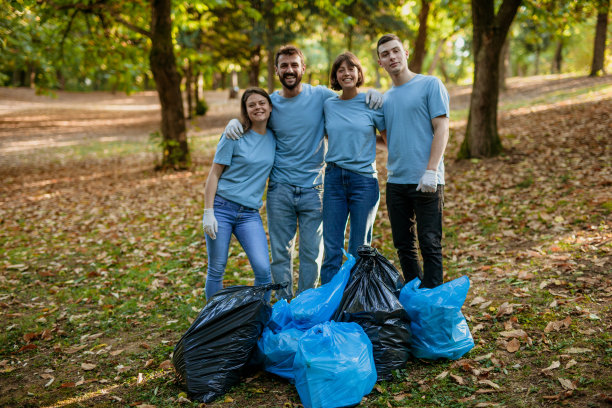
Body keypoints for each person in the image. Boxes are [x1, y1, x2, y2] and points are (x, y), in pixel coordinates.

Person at [224, 45, 383, 300]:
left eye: (294, 65)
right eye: (284, 66)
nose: (289, 70)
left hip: (315, 188)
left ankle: (306, 305)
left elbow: (348, 99)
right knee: (280, 254)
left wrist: (372, 94)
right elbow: (251, 119)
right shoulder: (271, 103)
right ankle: (284, 305)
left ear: (303, 68)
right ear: (276, 70)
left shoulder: (320, 96)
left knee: (312, 254)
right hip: (280, 188)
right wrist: (234, 121)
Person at [376, 33, 450, 288]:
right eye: (385, 54)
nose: (392, 56)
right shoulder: (383, 100)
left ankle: (434, 304)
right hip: (396, 182)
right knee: (404, 247)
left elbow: (442, 128)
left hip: (427, 180)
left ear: (405, 52)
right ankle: (415, 299)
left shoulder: (430, 85)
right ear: (380, 63)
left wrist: (431, 171)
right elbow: (388, 139)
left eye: (395, 50)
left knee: (430, 243)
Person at [202, 87, 275, 300]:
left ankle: (259, 319)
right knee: (216, 269)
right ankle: (212, 322)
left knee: (263, 270)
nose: (258, 108)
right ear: (245, 110)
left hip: (249, 214)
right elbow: (214, 174)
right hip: (222, 208)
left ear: (270, 107)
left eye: (262, 103)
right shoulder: (233, 135)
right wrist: (209, 212)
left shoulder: (274, 137)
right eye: (251, 105)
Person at [319, 52, 385, 285]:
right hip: (334, 179)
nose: (346, 73)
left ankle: (356, 305)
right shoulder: (328, 104)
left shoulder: (372, 102)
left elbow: (389, 139)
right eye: (341, 70)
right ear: (335, 76)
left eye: (351, 68)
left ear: (358, 73)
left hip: (364, 182)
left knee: (359, 249)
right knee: (332, 250)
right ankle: (328, 307)